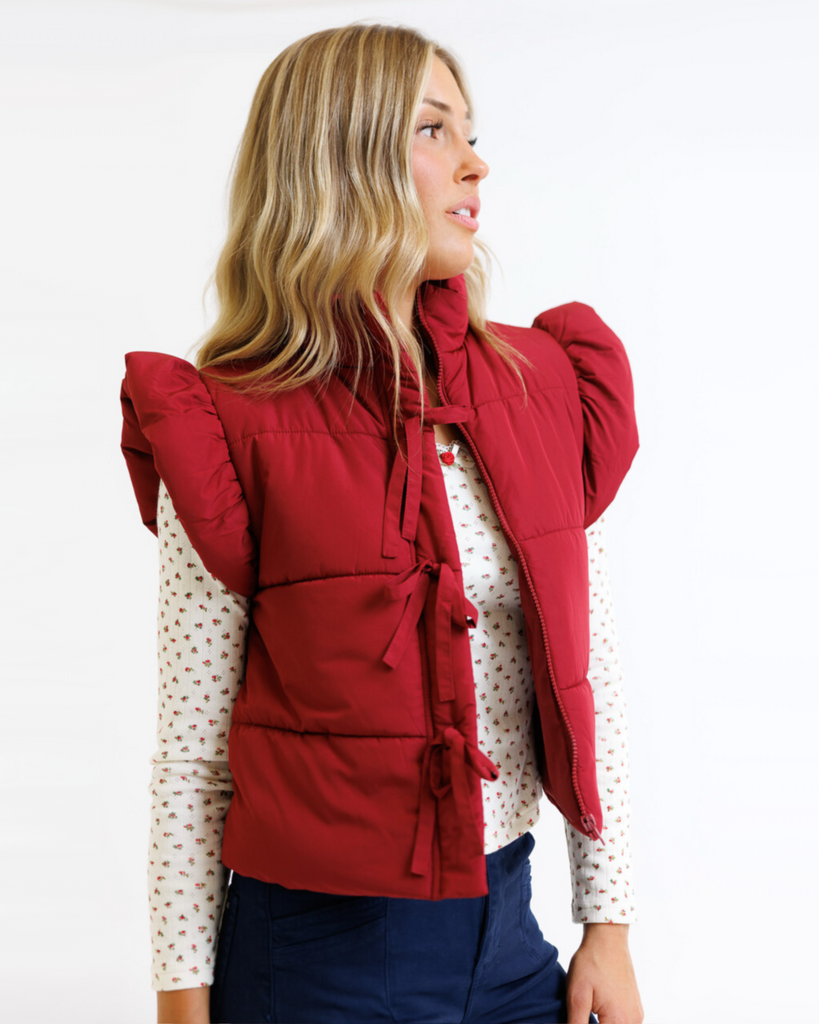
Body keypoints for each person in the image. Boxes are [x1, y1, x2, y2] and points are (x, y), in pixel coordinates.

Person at [119, 22, 644, 1024]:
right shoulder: (225, 422)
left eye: (473, 132)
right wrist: (182, 1007)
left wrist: (608, 924)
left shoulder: (540, 388)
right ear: (341, 154)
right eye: (435, 130)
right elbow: (193, 753)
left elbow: (591, 678)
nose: (475, 162)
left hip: (513, 939)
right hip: (316, 956)